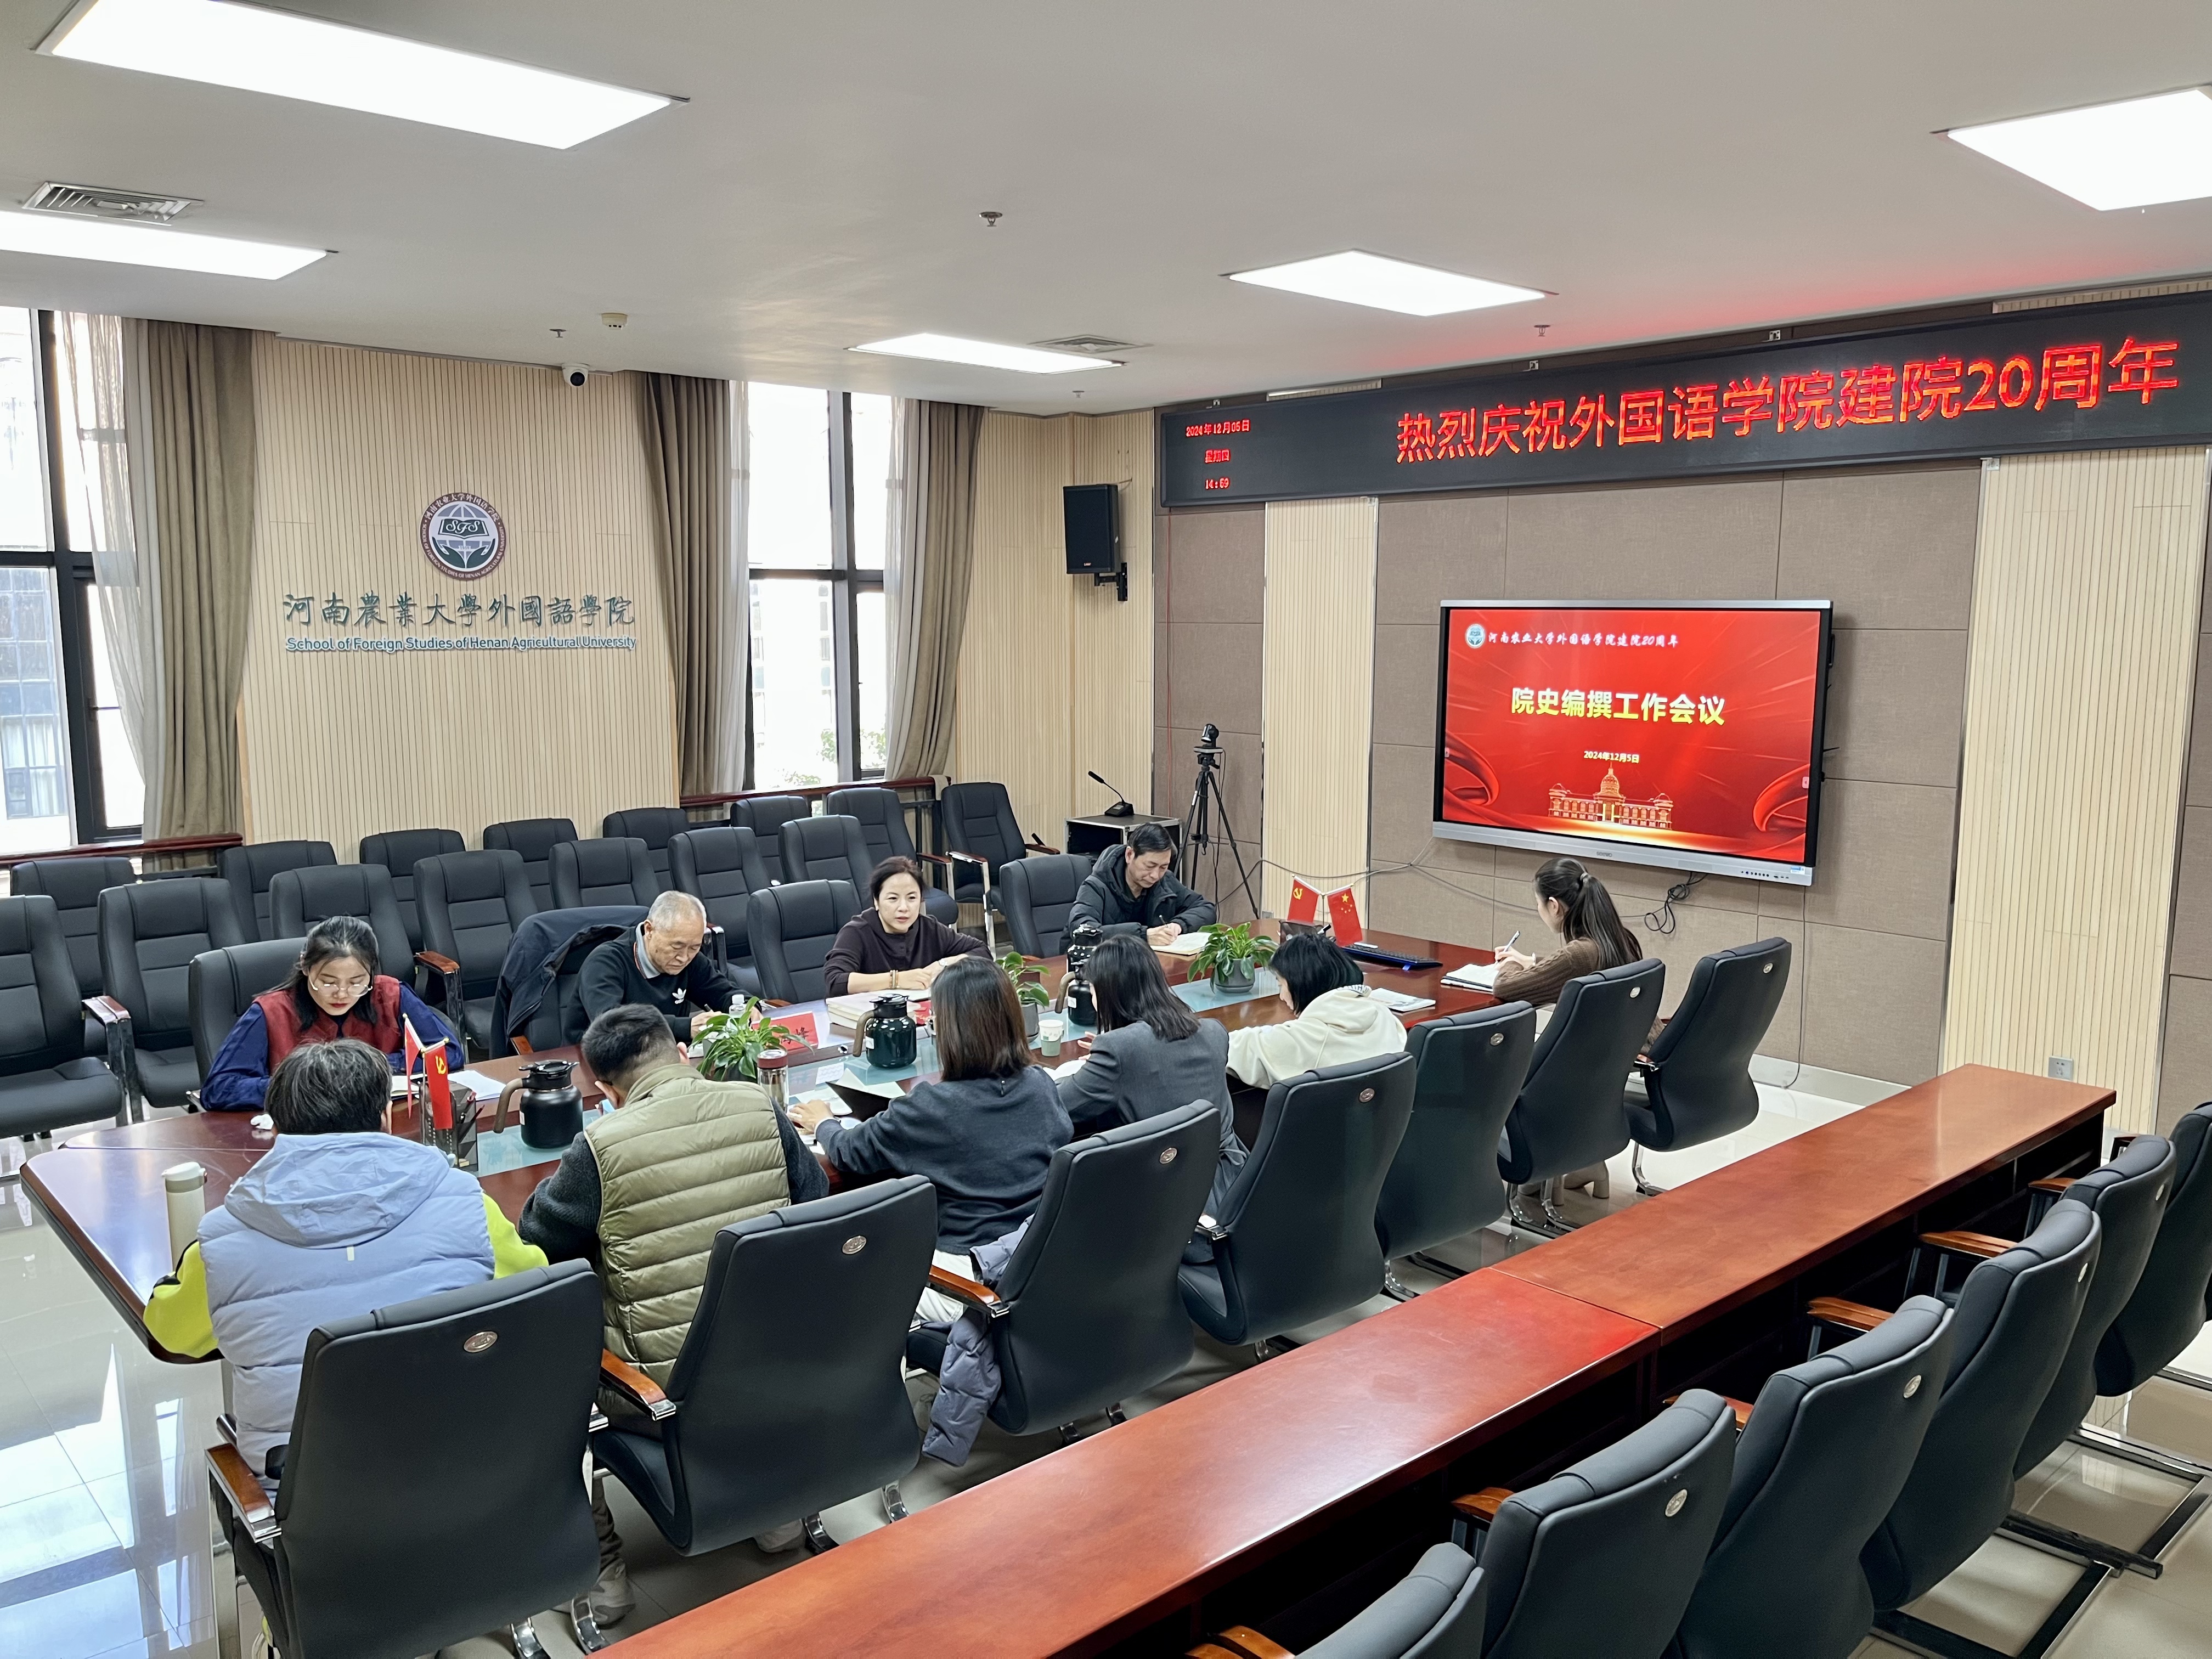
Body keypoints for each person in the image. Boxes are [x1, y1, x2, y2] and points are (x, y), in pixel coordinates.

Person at [520, 1002, 829, 1612]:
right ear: (682, 1054)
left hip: (660, 1392)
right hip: (774, 1362)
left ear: (605, 1091)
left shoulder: (600, 1145)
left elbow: (539, 1243)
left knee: (537, 1370)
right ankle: (775, 1512)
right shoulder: (760, 1105)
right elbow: (813, 1203)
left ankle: (600, 1570)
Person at [145, 1040, 545, 1484]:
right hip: (468, 1470)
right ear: (385, 1118)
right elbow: (536, 1280)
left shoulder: (222, 1239)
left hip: (314, 1504)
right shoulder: (466, 1200)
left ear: (276, 1130)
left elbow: (170, 1334)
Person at [790, 956, 1070, 1323]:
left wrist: (823, 1122)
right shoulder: (1040, 1084)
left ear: (952, 1030)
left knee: (846, 1276)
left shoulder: (933, 1106)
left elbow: (849, 1152)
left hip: (970, 1280)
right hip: (1037, 1260)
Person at [1056, 934, 1244, 1214]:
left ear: (1110, 993)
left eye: (1094, 991)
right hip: (1231, 1191)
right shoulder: (1215, 1032)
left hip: (1161, 1205)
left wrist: (1102, 1061)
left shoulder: (1119, 1051)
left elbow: (1059, 1104)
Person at [200, 916, 461, 1111]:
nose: (342, 994)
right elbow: (219, 1090)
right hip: (300, 1135)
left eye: (357, 982)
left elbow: (447, 1053)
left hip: (379, 1125)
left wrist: (374, 1067)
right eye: (328, 982)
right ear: (305, 967)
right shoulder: (270, 1012)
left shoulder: (391, 994)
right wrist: (306, 1082)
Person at [1226, 932, 1407, 1090]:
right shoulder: (1386, 1017)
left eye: (1281, 985)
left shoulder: (1306, 1038)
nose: (1282, 997)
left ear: (1302, 985)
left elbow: (1227, 1047)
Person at [579, 889, 736, 1041]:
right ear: (649, 930)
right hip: (593, 1054)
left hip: (665, 1051)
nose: (684, 958)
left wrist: (745, 1008)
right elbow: (610, 1025)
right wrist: (685, 1027)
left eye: (694, 948)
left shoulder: (690, 959)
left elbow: (722, 992)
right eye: (676, 946)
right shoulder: (605, 962)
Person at [1489, 856, 1644, 1008]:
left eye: (1538, 902)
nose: (1538, 908)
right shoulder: (1620, 937)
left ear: (1554, 906)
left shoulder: (1577, 956)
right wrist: (1530, 961)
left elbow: (1504, 987)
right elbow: (1567, 967)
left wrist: (1511, 964)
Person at [823, 855, 986, 996]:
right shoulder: (857, 932)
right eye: (893, 899)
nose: (904, 908)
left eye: (912, 898)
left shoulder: (929, 928)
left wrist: (942, 965)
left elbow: (981, 952)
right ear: (876, 901)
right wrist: (897, 980)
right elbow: (836, 981)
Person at [1068, 823, 1216, 946]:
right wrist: (1143, 936)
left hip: (1149, 964)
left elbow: (1205, 908)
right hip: (1100, 967)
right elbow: (1082, 930)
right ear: (1130, 855)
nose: (1155, 875)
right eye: (1150, 866)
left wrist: (1179, 925)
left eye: (1163, 867)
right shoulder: (1096, 886)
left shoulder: (1165, 881)